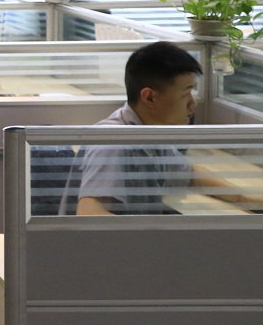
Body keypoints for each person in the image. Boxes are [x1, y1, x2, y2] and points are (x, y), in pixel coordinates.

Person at [72, 41, 254, 215]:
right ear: (149, 97)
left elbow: (189, 173)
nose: (193, 104)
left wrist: (244, 199)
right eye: (185, 94)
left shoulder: (147, 132)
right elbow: (89, 214)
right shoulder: (113, 144)